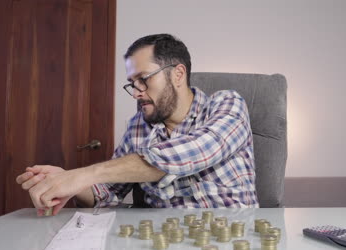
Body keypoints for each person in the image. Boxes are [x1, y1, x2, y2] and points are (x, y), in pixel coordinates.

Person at [16, 34, 259, 215]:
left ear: (177, 74)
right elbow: (108, 193)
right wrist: (69, 183)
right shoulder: (138, 127)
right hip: (164, 247)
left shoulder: (227, 104)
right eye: (133, 83)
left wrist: (84, 174)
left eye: (143, 80)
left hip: (234, 242)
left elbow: (191, 153)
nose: (136, 93)